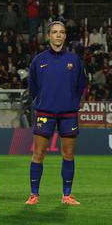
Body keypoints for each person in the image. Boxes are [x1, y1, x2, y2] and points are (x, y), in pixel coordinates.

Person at [26, 21, 87, 205]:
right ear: (48, 36)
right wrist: (42, 102)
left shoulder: (74, 60)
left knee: (68, 154)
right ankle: (34, 194)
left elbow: (81, 85)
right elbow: (33, 87)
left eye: (61, 32)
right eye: (54, 32)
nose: (58, 35)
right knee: (38, 154)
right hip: (45, 112)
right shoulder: (39, 60)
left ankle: (66, 195)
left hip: (68, 113)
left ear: (65, 36)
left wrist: (71, 102)